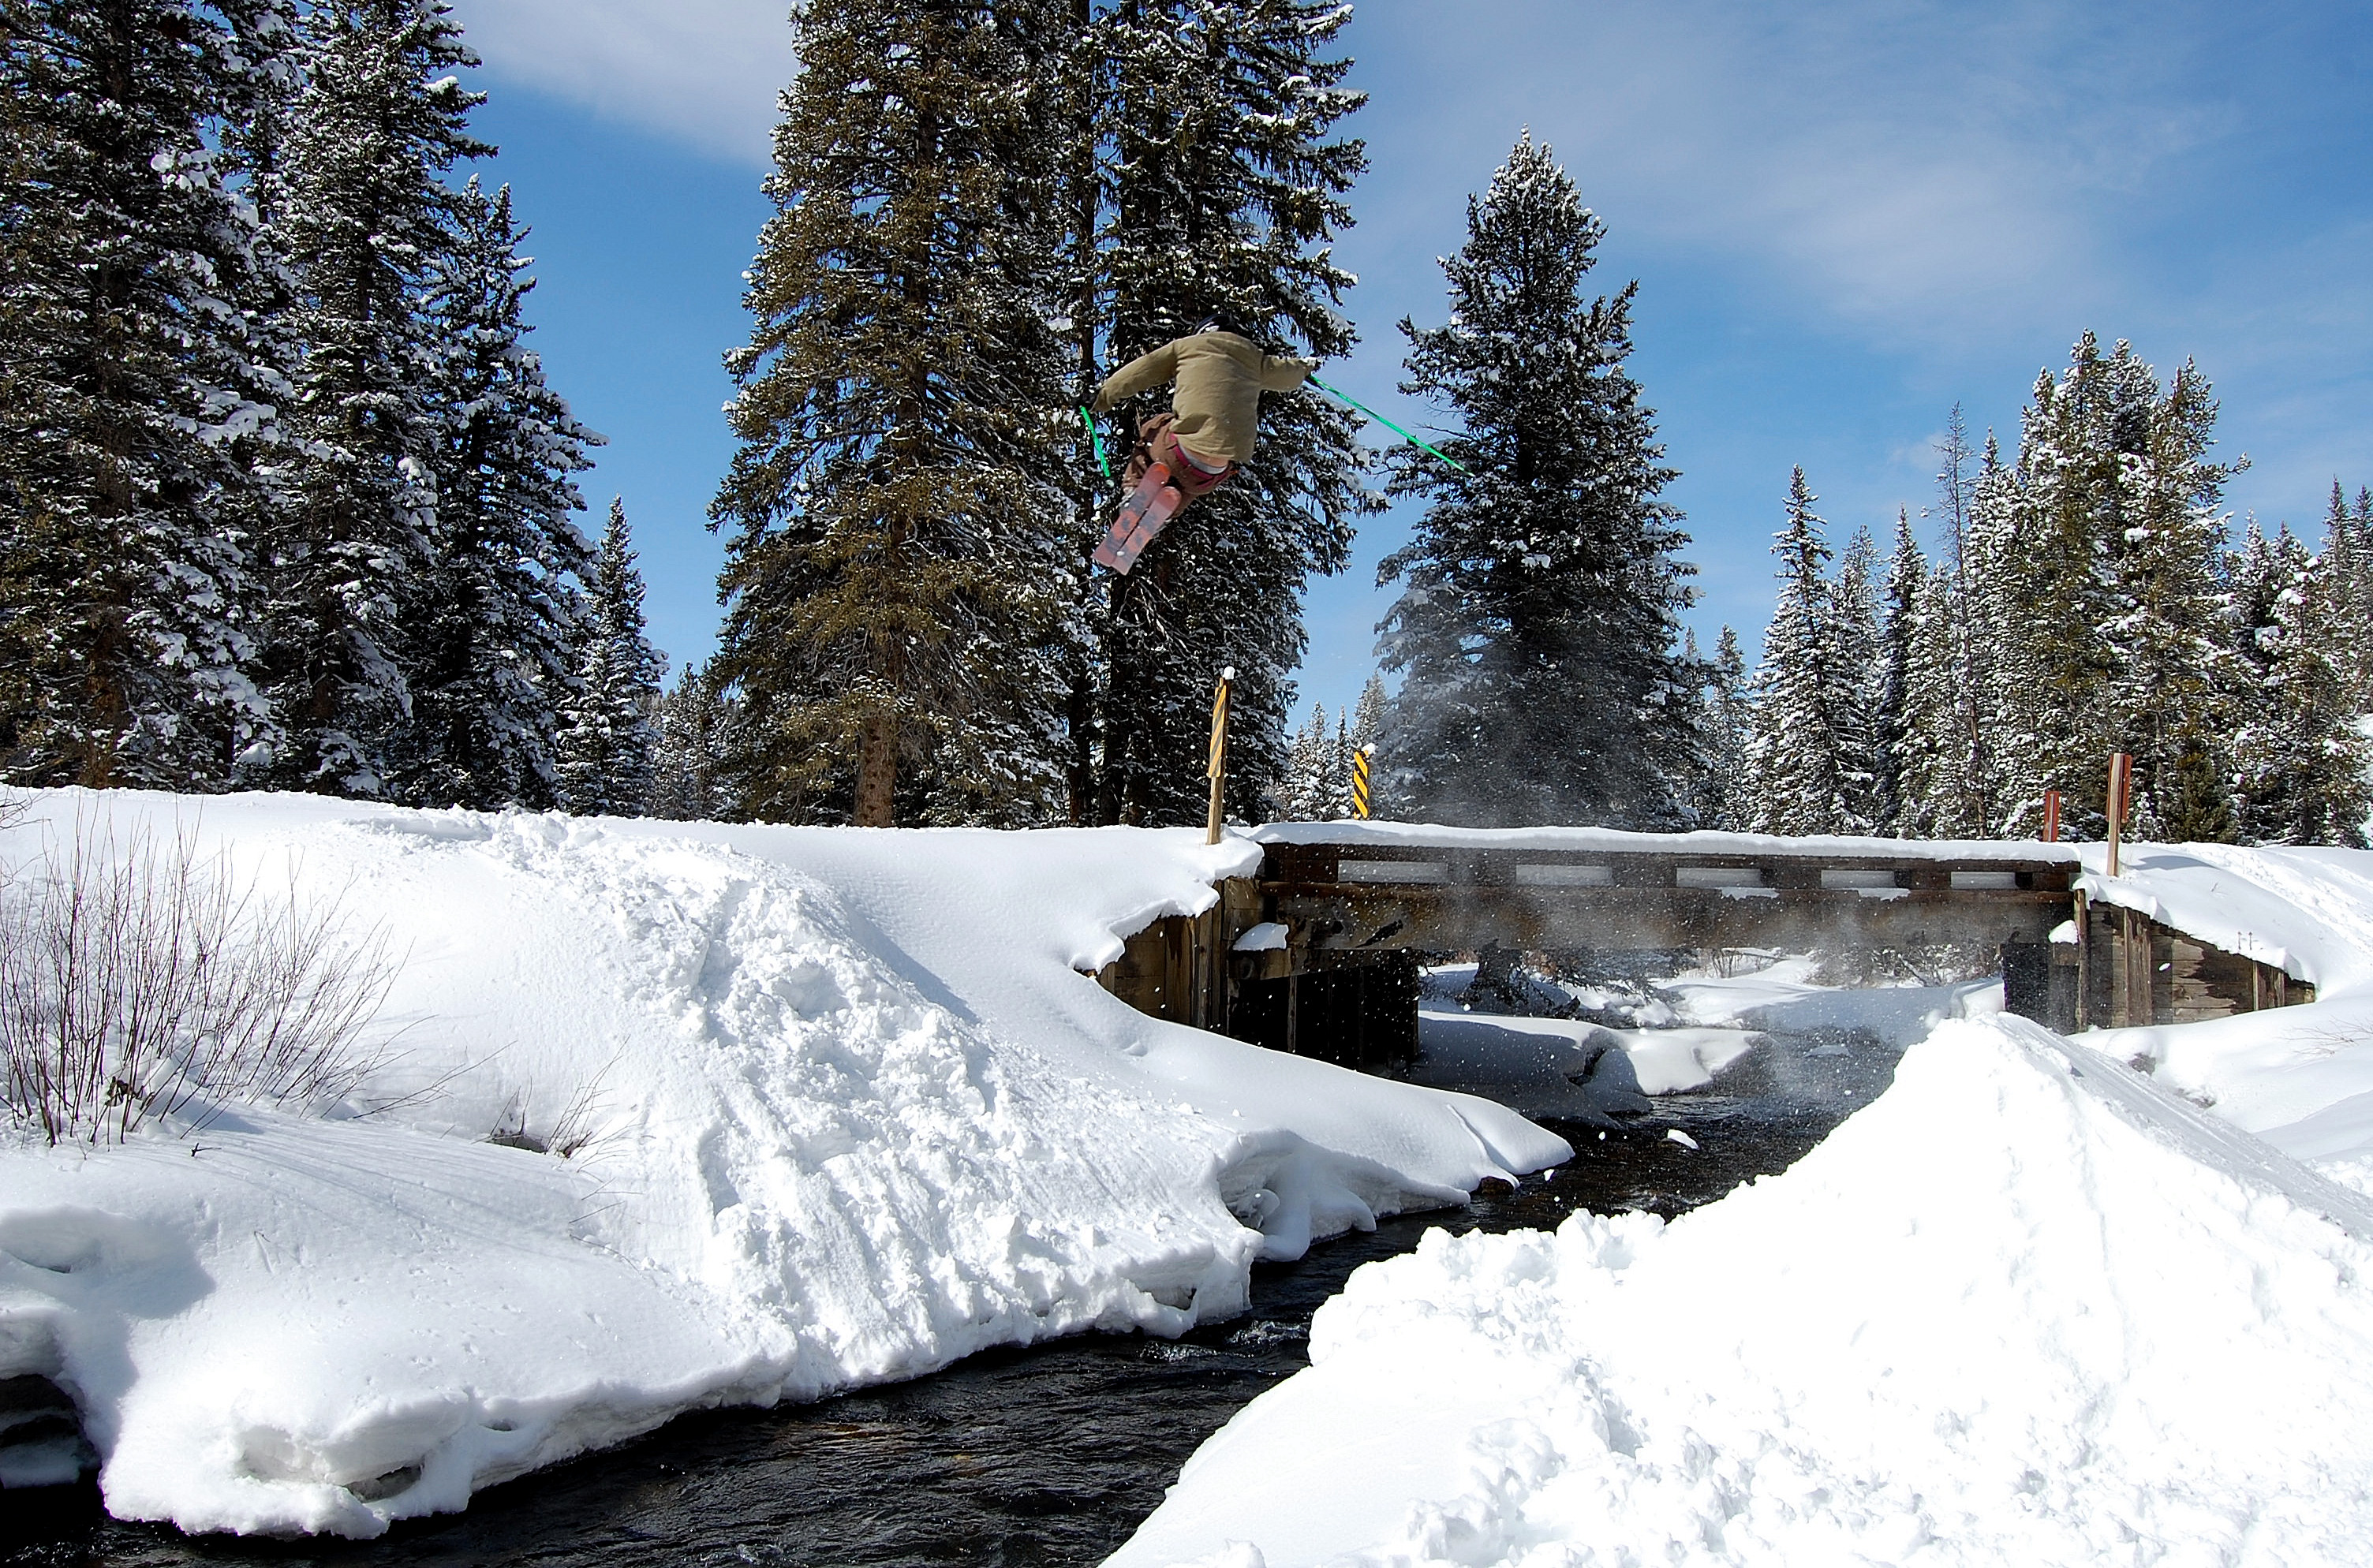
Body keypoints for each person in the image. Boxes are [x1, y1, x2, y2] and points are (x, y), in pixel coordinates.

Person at [1090, 318, 1317, 517]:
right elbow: (1288, 374)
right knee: (1185, 486)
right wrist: (1305, 368)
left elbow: (1141, 371)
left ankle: (1134, 491)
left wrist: (1101, 397)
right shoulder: (1254, 359)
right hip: (1214, 473)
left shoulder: (1186, 347)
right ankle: (1165, 515)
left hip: (1177, 451)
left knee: (1155, 425)